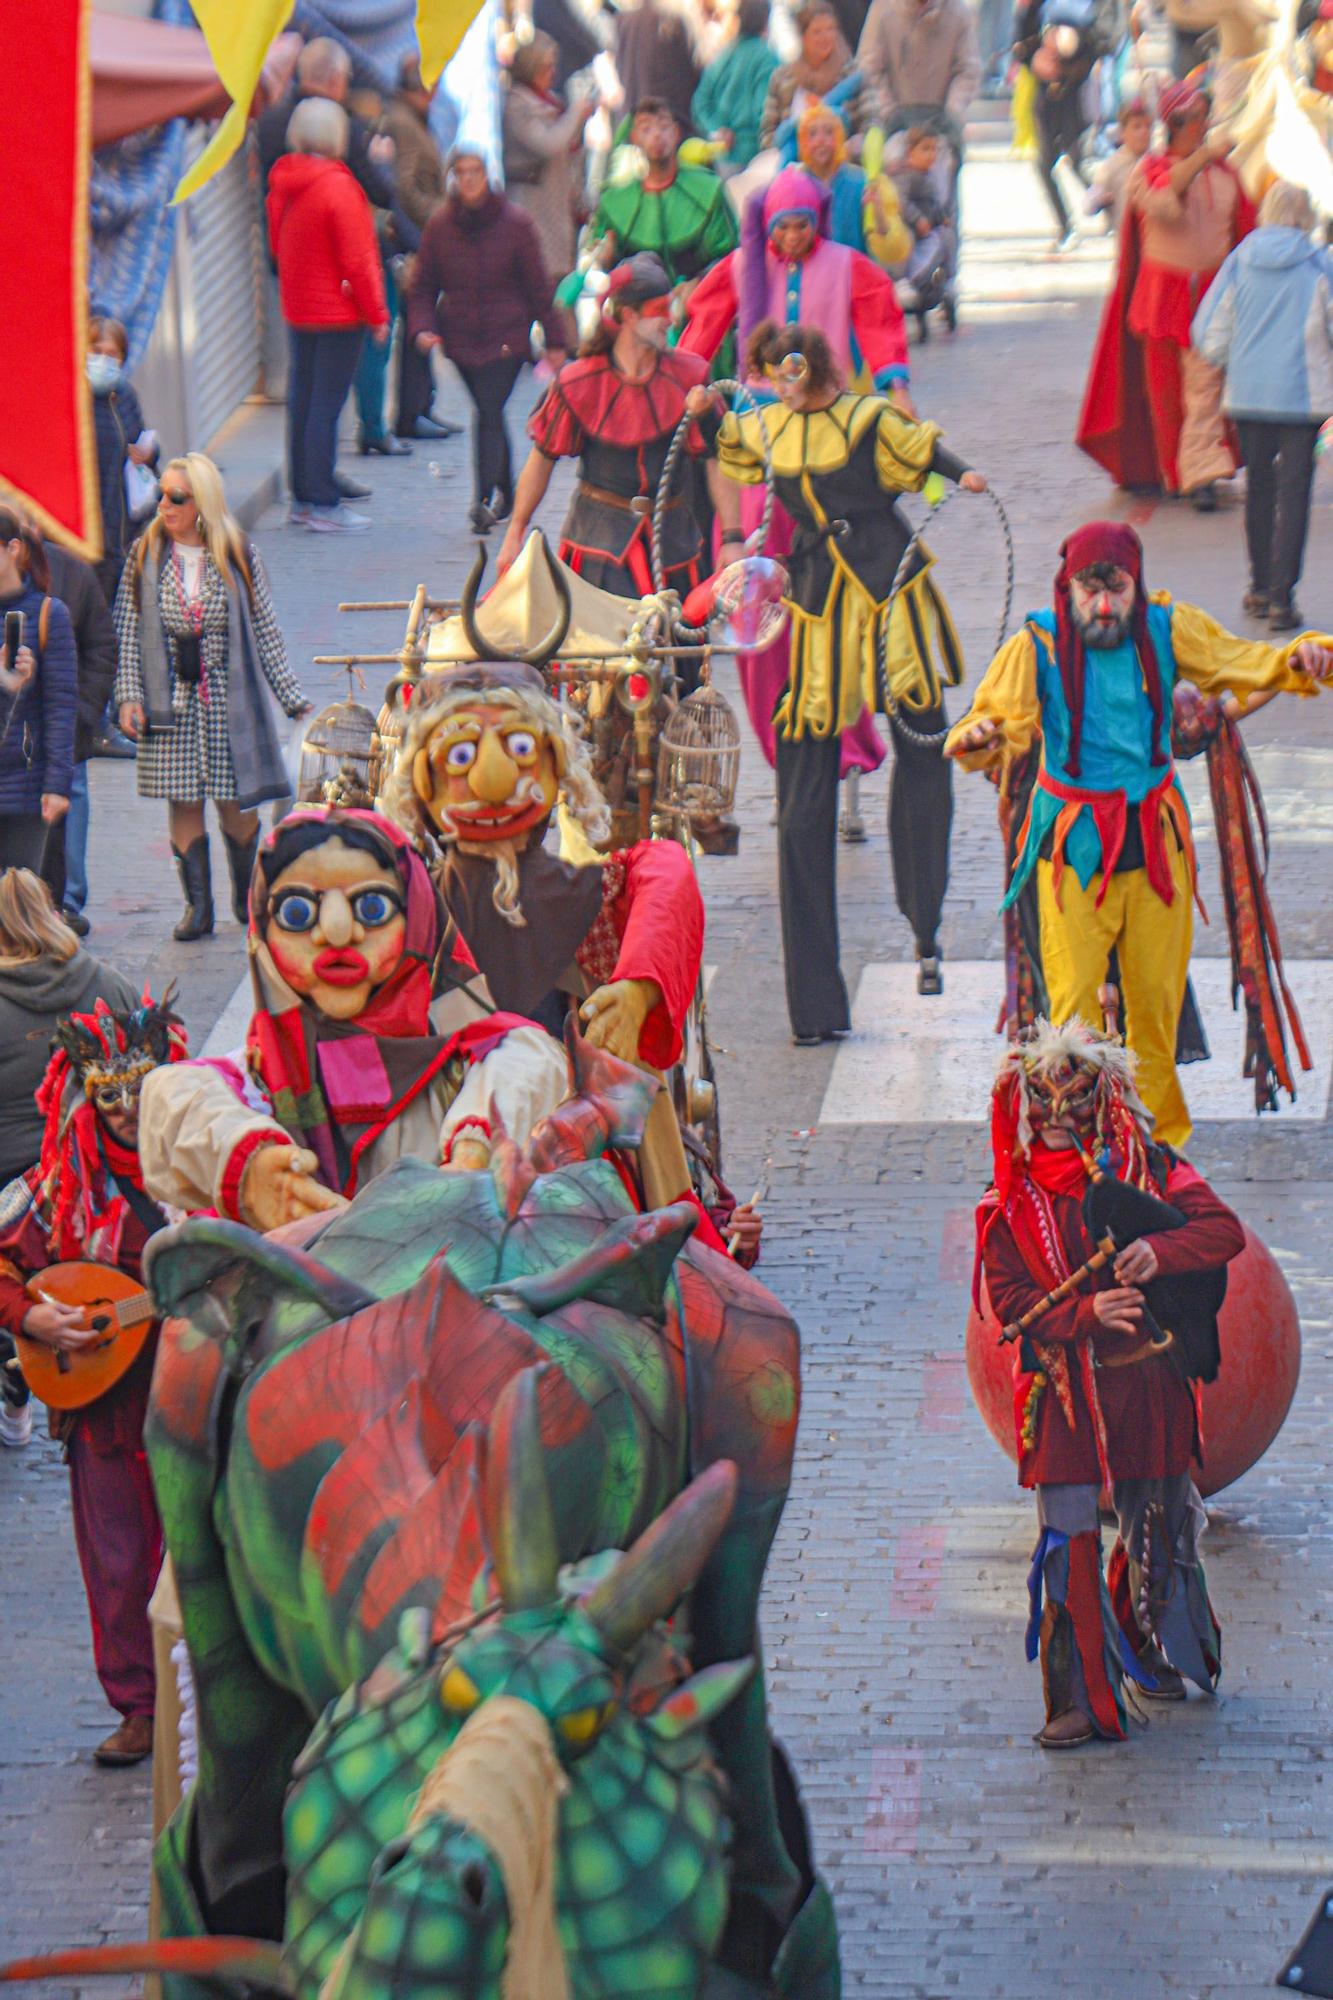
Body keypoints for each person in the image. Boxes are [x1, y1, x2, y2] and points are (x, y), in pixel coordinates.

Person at [944, 520, 1333, 1144]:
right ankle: (1077, 1151)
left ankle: (1158, 1151)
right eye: (1089, 590)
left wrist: (1300, 656)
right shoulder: (1036, 644)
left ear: (1136, 584)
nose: (1103, 605)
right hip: (1072, 851)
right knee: (1071, 1019)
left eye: (1116, 588)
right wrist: (978, 739)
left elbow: (1242, 662)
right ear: (1067, 588)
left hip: (1154, 843)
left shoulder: (1166, 626)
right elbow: (994, 719)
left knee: (1155, 1013)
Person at [703, 320, 986, 1032]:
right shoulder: (769, 427)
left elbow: (919, 451)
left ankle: (924, 925)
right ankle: (814, 1005)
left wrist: (959, 475)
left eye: (788, 369)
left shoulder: (865, 417)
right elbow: (727, 443)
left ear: (817, 365)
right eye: (770, 373)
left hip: (888, 589)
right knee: (802, 795)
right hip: (818, 605)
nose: (780, 384)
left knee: (922, 743)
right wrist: (706, 407)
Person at [976, 1019, 1245, 1748]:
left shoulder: (1151, 1170)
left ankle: (1145, 1642)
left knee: (1154, 1529)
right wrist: (1084, 1312)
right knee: (1064, 1542)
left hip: (1145, 1385)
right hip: (1060, 1394)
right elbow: (1005, 1302)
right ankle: (1074, 1697)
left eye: (1074, 1106)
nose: (1057, 1121)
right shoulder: (1008, 1200)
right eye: (1043, 1107)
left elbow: (1223, 1233)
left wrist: (1160, 1250)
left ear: (1105, 1106)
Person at [137, 807, 569, 1227]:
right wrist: (250, 1165)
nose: (338, 931)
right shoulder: (257, 1080)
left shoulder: (473, 1062)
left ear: (417, 919)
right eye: (297, 912)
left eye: (372, 908)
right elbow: (170, 1101)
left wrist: (477, 1148)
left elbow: (529, 1060)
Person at [384, 661, 709, 1217]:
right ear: (423, 783)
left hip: (570, 1142)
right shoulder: (406, 905)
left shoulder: (591, 894)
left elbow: (666, 877)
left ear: (555, 769)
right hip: (437, 1130)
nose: (491, 780)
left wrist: (638, 988)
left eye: (518, 749)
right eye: (460, 756)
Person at [0, 989, 186, 1762]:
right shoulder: (65, 1176)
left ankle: (202, 1701)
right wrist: (32, 1319)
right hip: (103, 1409)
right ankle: (138, 1706)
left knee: (196, 1555)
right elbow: (8, 1261)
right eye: (108, 1097)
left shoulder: (199, 1169)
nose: (123, 1112)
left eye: (138, 1094)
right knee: (113, 1563)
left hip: (189, 1400)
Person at [113, 455, 309, 943]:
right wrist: (129, 697)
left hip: (228, 696)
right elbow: (129, 634)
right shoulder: (146, 554)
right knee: (182, 801)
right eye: (161, 494)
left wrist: (291, 697)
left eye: (176, 497)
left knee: (235, 804)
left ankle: (247, 899)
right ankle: (197, 908)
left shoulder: (238, 553)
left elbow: (265, 630)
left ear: (202, 503)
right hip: (170, 698)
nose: (164, 505)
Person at [1076, 75, 1255, 509]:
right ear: (1176, 123)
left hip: (1212, 298)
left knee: (1205, 391)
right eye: (1195, 118)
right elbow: (1165, 206)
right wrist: (1200, 159)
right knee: (1165, 399)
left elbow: (1247, 232)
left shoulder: (1225, 175)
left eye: (1203, 116)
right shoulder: (1149, 172)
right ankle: (1174, 474)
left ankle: (1200, 476)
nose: (1203, 124)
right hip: (1161, 300)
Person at [498, 254, 711, 600]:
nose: (670, 320)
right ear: (628, 315)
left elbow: (716, 459)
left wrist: (732, 538)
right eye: (660, 310)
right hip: (598, 541)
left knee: (679, 648)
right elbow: (542, 459)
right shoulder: (578, 382)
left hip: (673, 542)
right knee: (608, 649)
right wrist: (514, 532)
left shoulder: (690, 376)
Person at [256, 36, 398, 492]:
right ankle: (319, 495)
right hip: (336, 307)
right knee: (327, 401)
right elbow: (359, 261)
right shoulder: (339, 188)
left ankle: (305, 487)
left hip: (298, 300)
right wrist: (377, 316)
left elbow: (277, 242)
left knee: (304, 395)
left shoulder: (284, 182)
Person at [1191, 179, 1333, 631]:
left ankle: (1257, 584)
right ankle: (1281, 598)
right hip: (1303, 398)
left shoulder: (1240, 261)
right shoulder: (1320, 266)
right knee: (1294, 493)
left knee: (1260, 490)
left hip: (1249, 396)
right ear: (1303, 215)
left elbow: (1208, 331)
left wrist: (1236, 362)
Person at [408, 147, 565, 537]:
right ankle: (507, 493)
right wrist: (422, 327)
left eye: (475, 172)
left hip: (506, 339)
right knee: (488, 410)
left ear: (488, 175)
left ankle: (481, 500)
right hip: (461, 340)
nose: (468, 180)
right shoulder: (441, 226)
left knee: (489, 410)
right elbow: (423, 284)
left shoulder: (515, 224)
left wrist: (556, 339)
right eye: (460, 173)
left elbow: (538, 286)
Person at [41, 537, 119, 937]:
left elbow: (101, 647)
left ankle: (65, 902)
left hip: (65, 723)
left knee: (69, 792)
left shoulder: (72, 571)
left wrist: (85, 712)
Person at [382, 55, 460, 448]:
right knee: (417, 325)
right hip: (415, 237)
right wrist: (442, 214)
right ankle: (411, 413)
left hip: (418, 233)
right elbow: (406, 187)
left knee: (420, 324)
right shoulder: (404, 124)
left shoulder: (407, 119)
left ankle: (420, 408)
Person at [587, 98, 739, 289]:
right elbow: (604, 271)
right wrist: (606, 259)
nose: (657, 135)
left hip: (700, 302)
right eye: (646, 129)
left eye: (663, 127)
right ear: (634, 138)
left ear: (676, 133)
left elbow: (728, 257)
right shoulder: (614, 201)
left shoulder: (708, 189)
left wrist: (697, 284)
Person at [0, 511, 76, 876]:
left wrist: (57, 784)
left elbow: (61, 707)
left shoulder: (49, 614)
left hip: (24, 781)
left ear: (13, 548)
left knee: (18, 906)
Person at [503, 33, 597, 291]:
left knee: (560, 288)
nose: (552, 72)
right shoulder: (517, 105)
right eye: (546, 66)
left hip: (558, 207)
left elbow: (569, 154)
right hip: (532, 208)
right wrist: (576, 114)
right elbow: (549, 143)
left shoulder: (552, 102)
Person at [1012, 0, 1103, 249]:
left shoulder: (1086, 8)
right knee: (1044, 164)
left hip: (1075, 98)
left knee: (1078, 160)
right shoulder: (1035, 7)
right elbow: (1020, 43)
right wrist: (1036, 61)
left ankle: (1108, 202)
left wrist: (1066, 67)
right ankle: (1065, 226)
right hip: (1046, 98)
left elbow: (1102, 40)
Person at [86, 315, 158, 611]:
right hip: (85, 526)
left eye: (112, 354)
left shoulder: (125, 396)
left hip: (121, 527)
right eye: (96, 352)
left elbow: (143, 441)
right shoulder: (73, 398)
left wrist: (148, 454)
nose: (103, 360)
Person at [855, 0, 982, 128]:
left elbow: (968, 70)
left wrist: (952, 112)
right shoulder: (882, 8)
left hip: (942, 124)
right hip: (892, 124)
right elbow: (868, 68)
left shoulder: (958, 11)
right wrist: (889, 113)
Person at [692, 0, 782, 169]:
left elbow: (700, 101)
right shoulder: (768, 58)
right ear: (766, 20)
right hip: (756, 157)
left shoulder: (723, 56)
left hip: (723, 155)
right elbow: (764, 113)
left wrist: (717, 127)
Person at [760, 2, 862, 149]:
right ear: (803, 36)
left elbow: (871, 122)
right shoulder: (782, 78)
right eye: (817, 31)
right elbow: (767, 133)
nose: (825, 37)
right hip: (794, 165)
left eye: (830, 29)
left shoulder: (851, 74)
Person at [614, 0, 702, 127]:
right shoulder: (672, 20)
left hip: (633, 121)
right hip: (667, 123)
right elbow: (692, 74)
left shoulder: (622, 21)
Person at [1084, 94, 1153, 234]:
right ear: (1122, 133)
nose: (1144, 132)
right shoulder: (1112, 166)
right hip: (1126, 239)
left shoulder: (1157, 161)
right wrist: (1101, 200)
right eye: (1137, 127)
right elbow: (1088, 205)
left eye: (1148, 126)